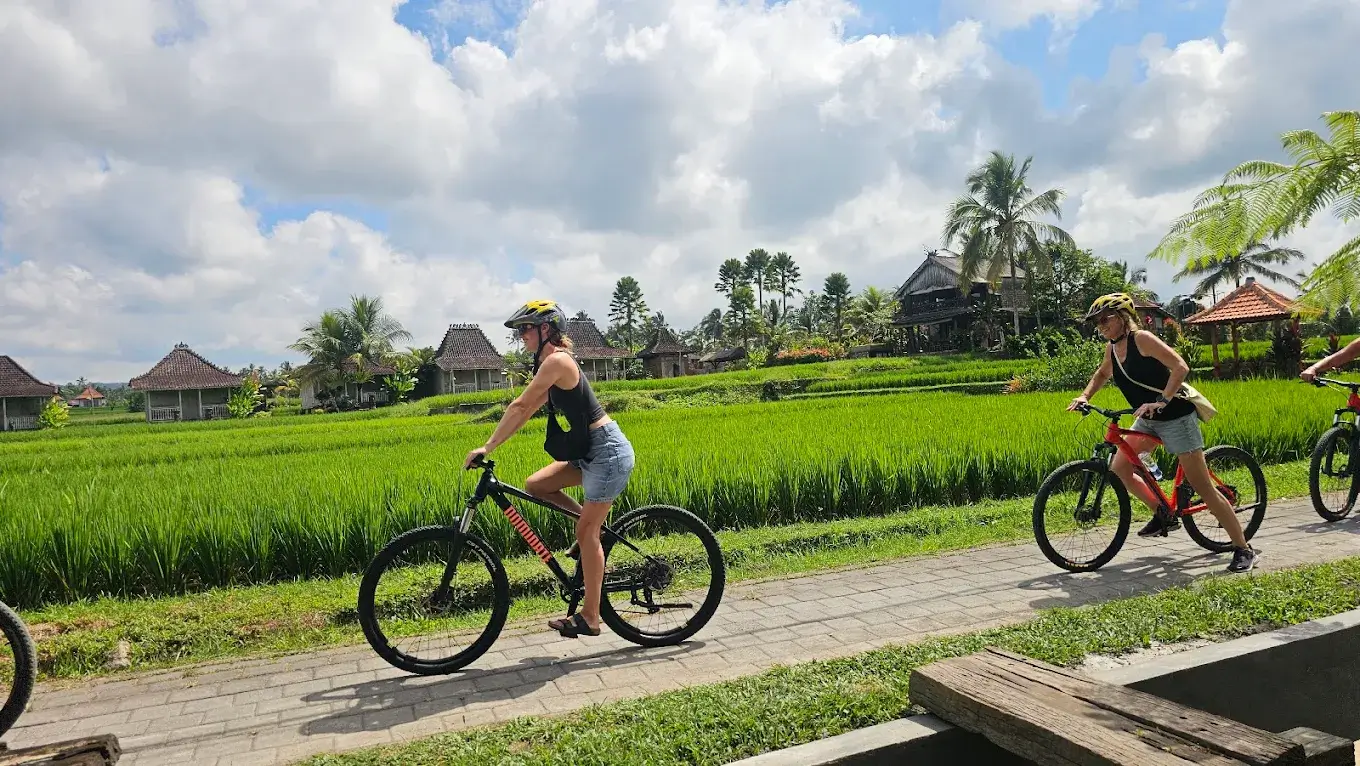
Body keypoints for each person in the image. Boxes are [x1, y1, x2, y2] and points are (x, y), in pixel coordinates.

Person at [463, 299, 636, 638]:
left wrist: (488, 446)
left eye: (526, 329)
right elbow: (526, 411)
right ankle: (593, 534)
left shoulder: (557, 361)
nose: (521, 336)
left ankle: (590, 617)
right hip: (589, 451)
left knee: (585, 533)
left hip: (607, 452)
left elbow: (521, 403)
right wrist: (497, 440)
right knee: (536, 485)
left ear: (547, 330)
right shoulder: (551, 366)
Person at [1068, 293, 1258, 573]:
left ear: (1122, 317)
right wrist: (1084, 396)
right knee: (1120, 467)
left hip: (1175, 417)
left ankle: (1243, 548)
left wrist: (1163, 400)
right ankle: (1163, 513)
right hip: (1147, 419)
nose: (1101, 326)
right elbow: (1102, 374)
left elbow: (1180, 366)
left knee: (1203, 488)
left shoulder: (1142, 339)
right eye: (1096, 322)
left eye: (1105, 319)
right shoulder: (1112, 348)